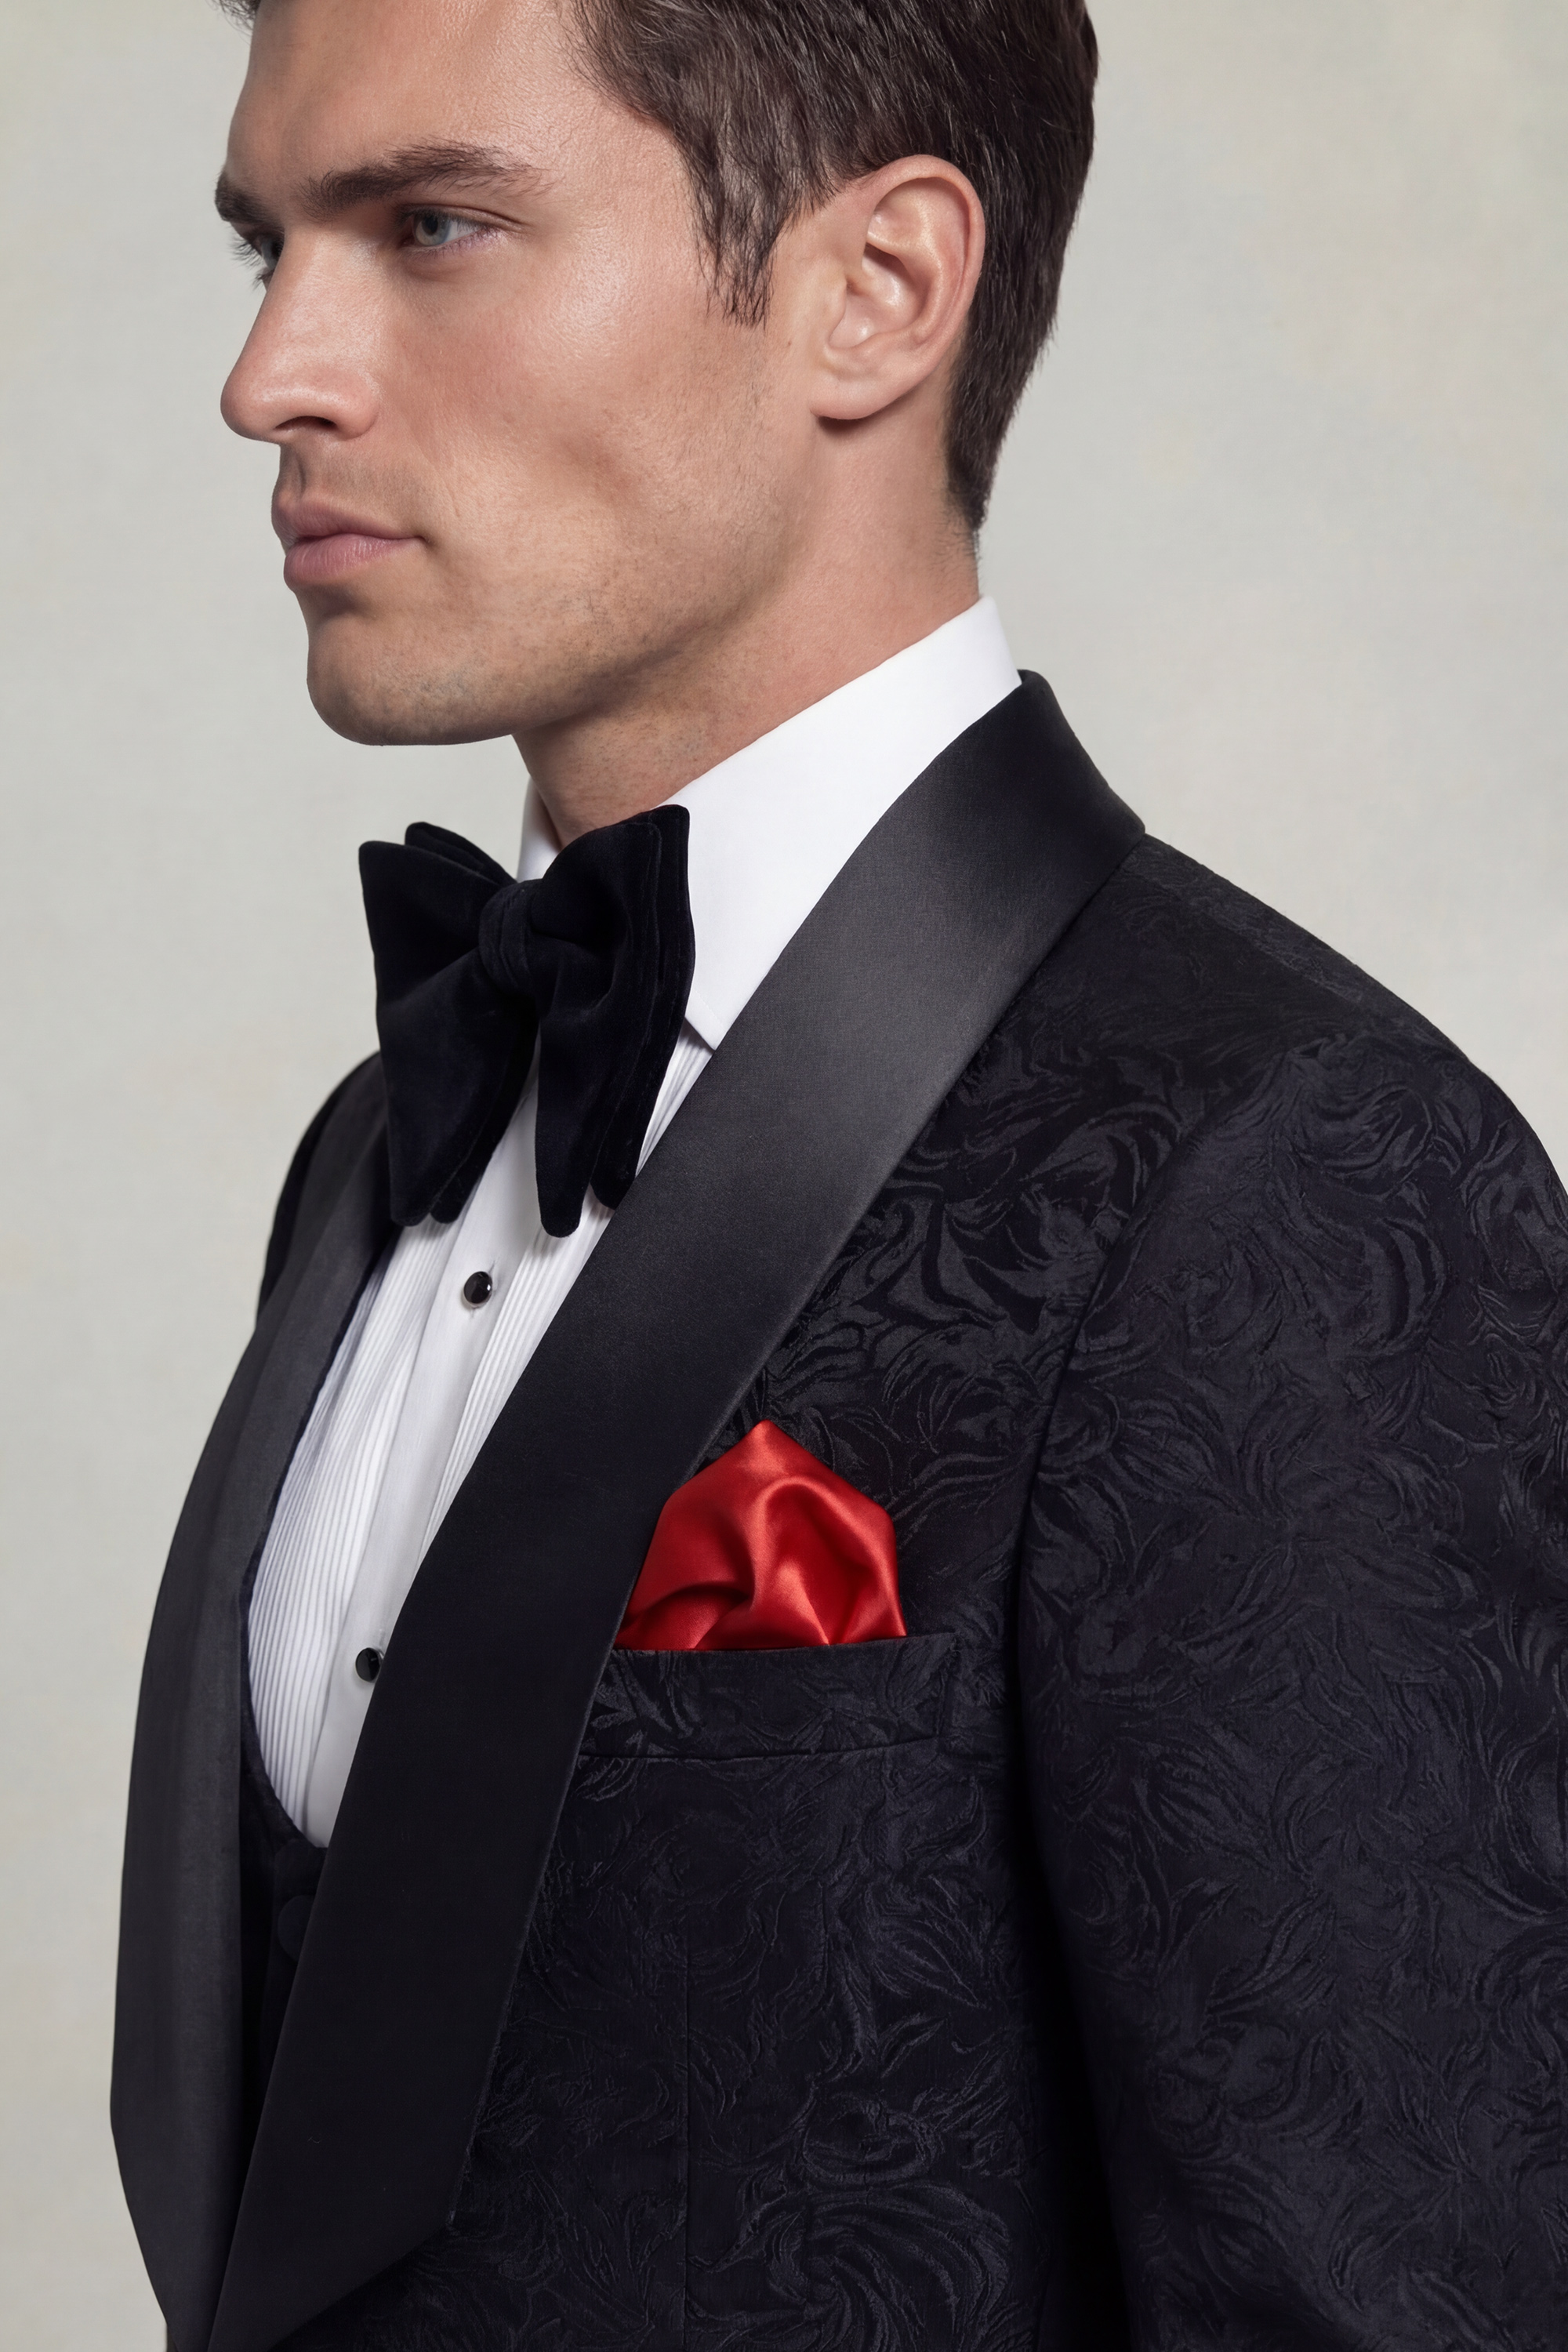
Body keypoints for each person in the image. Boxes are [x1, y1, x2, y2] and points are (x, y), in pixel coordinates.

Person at [112, 0, 1566, 2346]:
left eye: (435, 226)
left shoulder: (1282, 1173)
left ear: (877, 290)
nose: (271, 375)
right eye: (264, 247)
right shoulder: (383, 1144)